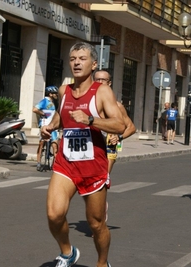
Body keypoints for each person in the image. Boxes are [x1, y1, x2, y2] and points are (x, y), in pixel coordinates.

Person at [41, 42, 124, 267]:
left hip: (93, 166)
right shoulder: (63, 90)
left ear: (94, 64)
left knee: (96, 224)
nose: (77, 62)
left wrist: (90, 119)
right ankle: (68, 253)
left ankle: (102, 263)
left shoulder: (102, 91)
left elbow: (120, 125)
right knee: (54, 214)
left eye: (82, 58)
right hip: (66, 163)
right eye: (73, 58)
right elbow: (62, 117)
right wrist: (50, 126)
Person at [93, 69, 136, 173]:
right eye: (97, 79)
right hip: (91, 144)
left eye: (103, 80)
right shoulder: (88, 103)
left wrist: (119, 137)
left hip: (108, 146)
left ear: (109, 83)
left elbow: (131, 128)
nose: (100, 82)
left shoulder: (117, 106)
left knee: (103, 178)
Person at [32, 86, 59, 171]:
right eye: (55, 93)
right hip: (44, 125)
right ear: (50, 94)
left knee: (55, 146)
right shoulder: (44, 101)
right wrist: (42, 113)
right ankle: (39, 162)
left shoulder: (55, 102)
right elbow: (35, 109)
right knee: (41, 144)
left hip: (53, 127)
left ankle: (55, 165)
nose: (56, 95)